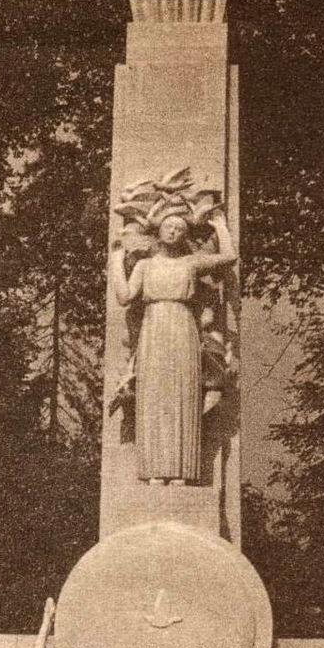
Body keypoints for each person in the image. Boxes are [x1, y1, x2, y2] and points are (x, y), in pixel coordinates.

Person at [108, 208, 237, 485]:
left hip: (183, 329)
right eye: (168, 226)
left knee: (182, 395)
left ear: (184, 235)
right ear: (159, 230)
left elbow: (228, 258)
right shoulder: (145, 266)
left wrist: (220, 226)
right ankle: (153, 470)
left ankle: (183, 471)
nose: (173, 231)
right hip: (153, 330)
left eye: (179, 228)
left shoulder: (190, 264)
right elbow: (124, 296)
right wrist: (117, 261)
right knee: (154, 397)